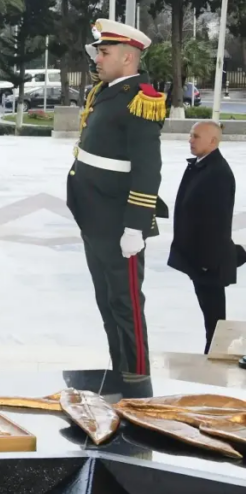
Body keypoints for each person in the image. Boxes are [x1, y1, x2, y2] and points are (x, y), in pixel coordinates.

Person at [67, 19, 168, 383]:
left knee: (126, 306)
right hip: (95, 217)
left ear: (127, 58)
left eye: (104, 52)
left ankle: (138, 381)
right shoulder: (107, 91)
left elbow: (148, 169)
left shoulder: (140, 98)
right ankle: (120, 373)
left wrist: (135, 227)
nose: (97, 59)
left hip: (117, 221)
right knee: (108, 303)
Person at [168, 121, 241, 354]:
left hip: (209, 260)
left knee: (215, 319)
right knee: (211, 314)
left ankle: (215, 356)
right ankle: (214, 354)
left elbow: (217, 221)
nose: (190, 140)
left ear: (213, 141)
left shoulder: (217, 173)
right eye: (190, 135)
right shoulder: (203, 166)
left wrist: (208, 262)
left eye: (196, 136)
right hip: (201, 257)